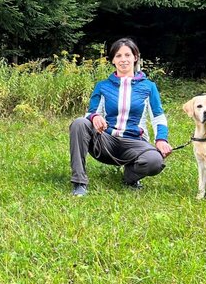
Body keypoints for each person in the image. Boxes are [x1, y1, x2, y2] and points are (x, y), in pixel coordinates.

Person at [69, 37, 172, 196]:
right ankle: (79, 183)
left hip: (135, 143)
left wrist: (161, 139)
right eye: (118, 56)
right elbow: (89, 113)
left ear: (135, 57)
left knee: (155, 161)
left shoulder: (149, 87)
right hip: (106, 142)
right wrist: (94, 117)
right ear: (113, 60)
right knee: (79, 123)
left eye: (127, 55)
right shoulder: (102, 86)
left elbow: (158, 117)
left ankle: (130, 177)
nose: (123, 60)